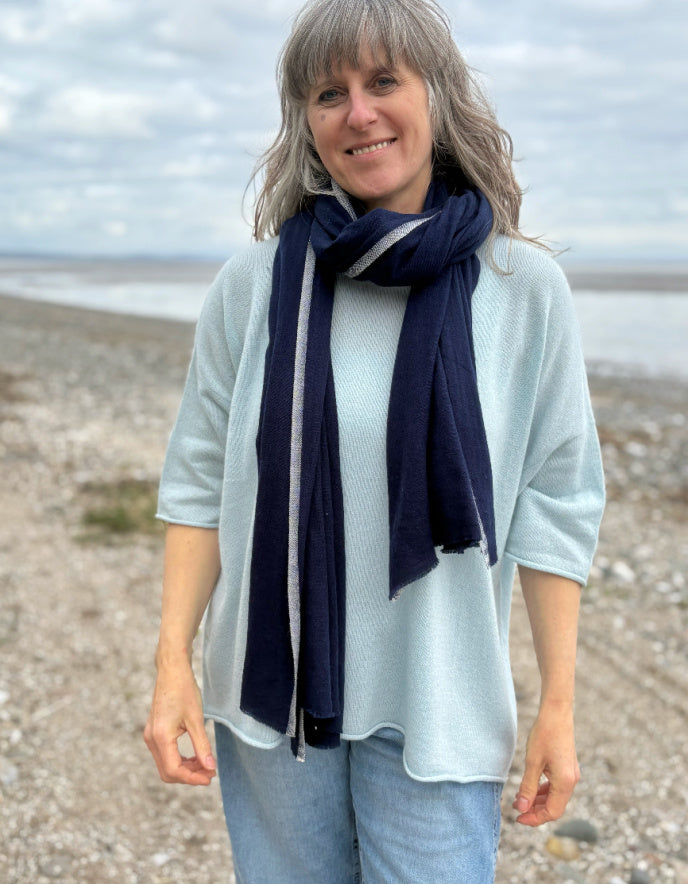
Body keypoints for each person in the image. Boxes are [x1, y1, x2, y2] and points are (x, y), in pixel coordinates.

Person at [144, 0, 605, 880]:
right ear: (307, 124)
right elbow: (198, 479)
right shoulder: (253, 285)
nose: (358, 112)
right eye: (329, 94)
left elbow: (559, 503)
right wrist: (172, 666)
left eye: (384, 80)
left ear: (437, 95)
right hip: (273, 703)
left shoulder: (523, 288)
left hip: (439, 700)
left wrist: (559, 704)